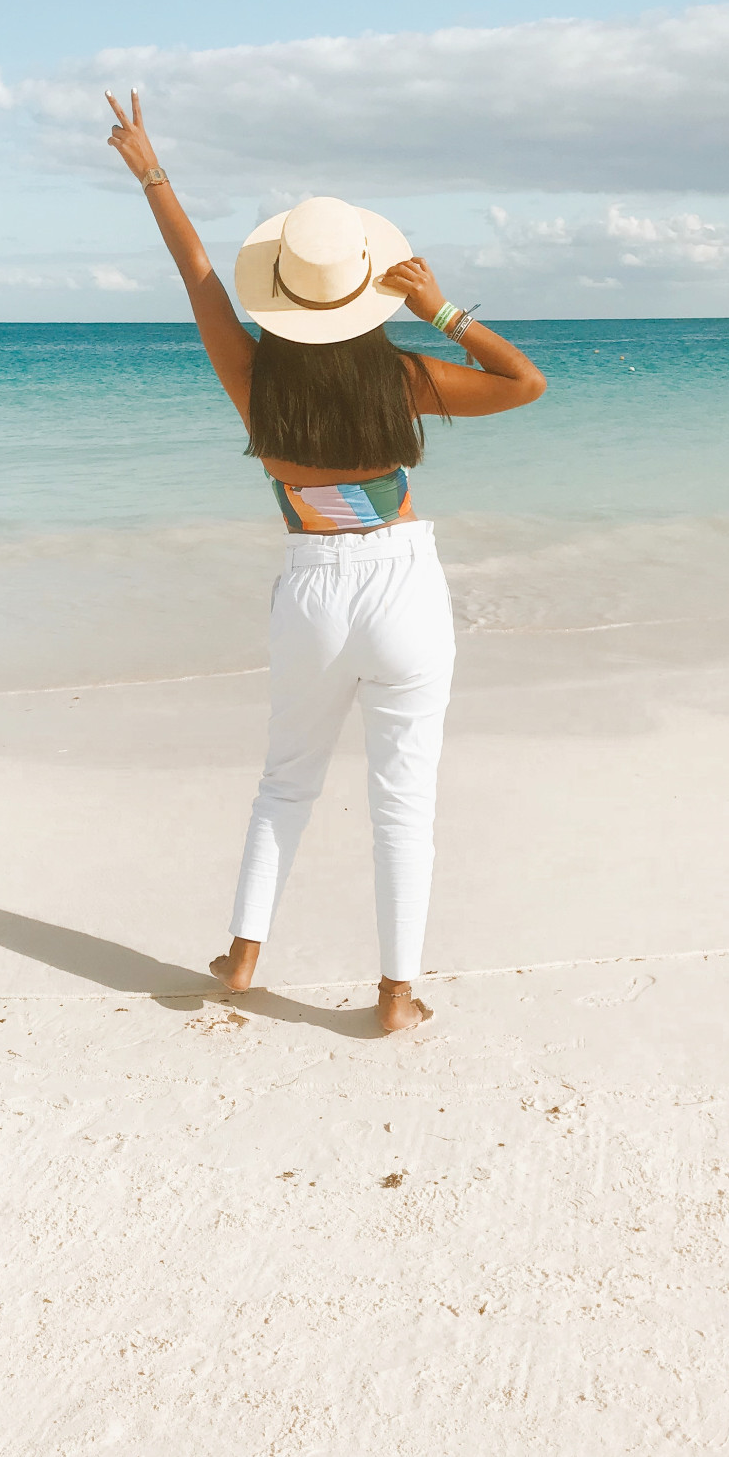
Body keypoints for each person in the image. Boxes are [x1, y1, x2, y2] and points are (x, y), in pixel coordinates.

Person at [104, 91, 546, 1033]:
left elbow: (194, 273)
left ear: (285, 293)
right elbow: (526, 383)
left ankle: (243, 955)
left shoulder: (251, 376)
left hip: (310, 590)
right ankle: (394, 996)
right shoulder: (406, 377)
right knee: (404, 796)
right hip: (402, 587)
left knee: (286, 779)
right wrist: (443, 308)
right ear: (368, 286)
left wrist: (150, 169)